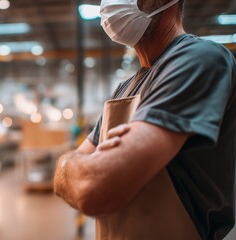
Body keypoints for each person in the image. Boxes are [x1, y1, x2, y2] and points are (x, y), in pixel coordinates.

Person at [54, 0, 236, 239]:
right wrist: (74, 165)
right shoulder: (125, 88)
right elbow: (61, 182)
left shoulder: (199, 59)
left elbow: (96, 189)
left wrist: (76, 163)